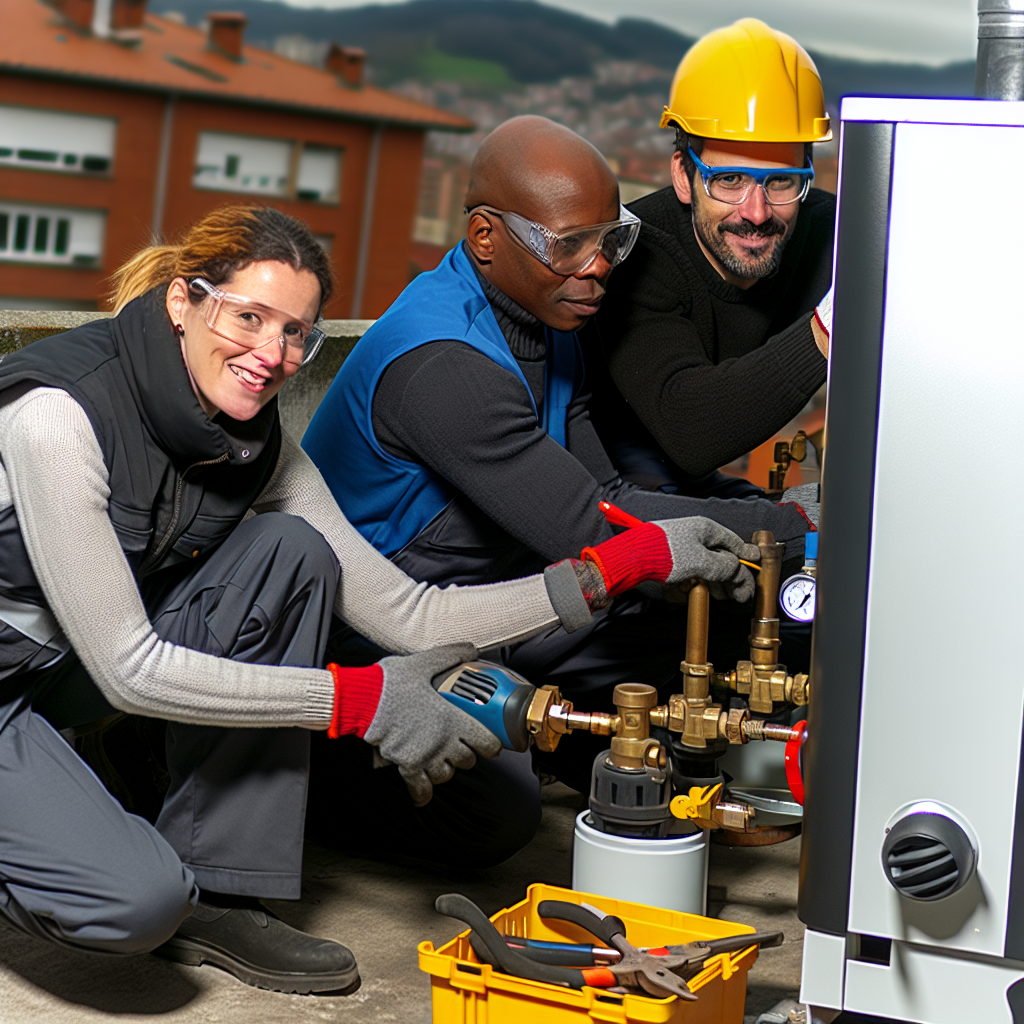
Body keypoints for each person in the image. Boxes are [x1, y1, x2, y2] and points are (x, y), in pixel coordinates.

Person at [0, 206, 756, 992]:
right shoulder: (61, 416)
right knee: (134, 903)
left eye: (295, 333)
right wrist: (357, 700)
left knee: (290, 553)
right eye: (249, 317)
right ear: (184, 302)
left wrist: (618, 564)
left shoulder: (257, 444)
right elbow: (129, 670)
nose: (271, 354)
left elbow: (408, 612)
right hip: (37, 677)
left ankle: (220, 890)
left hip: (64, 665)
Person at [302, 117, 818, 792]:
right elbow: (594, 528)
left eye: (610, 241)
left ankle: (593, 751)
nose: (599, 266)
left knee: (719, 600)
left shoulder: (551, 317)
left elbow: (607, 488)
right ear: (486, 237)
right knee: (494, 820)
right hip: (382, 640)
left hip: (499, 594)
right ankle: (308, 773)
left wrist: (768, 513)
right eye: (570, 245)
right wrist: (799, 527)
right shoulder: (446, 367)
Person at [586, 18, 835, 499]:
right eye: (730, 180)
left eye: (781, 181)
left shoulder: (831, 229)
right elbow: (692, 433)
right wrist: (834, 324)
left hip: (702, 483)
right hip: (605, 476)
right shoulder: (635, 255)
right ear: (684, 176)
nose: (757, 213)